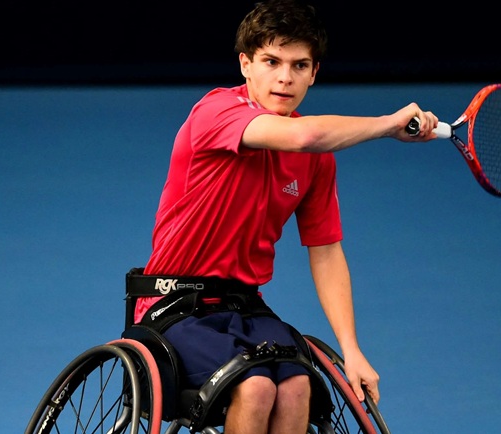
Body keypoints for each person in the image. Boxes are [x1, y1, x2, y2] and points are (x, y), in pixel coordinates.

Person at [133, 0, 439, 432]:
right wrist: (389, 124)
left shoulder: (317, 161)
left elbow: (326, 251)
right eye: (271, 62)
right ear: (246, 64)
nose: (285, 77)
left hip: (246, 307)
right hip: (173, 305)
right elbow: (305, 135)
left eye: (299, 66)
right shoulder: (215, 112)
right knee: (255, 386)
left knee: (297, 385)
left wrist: (351, 349)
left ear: (314, 73)